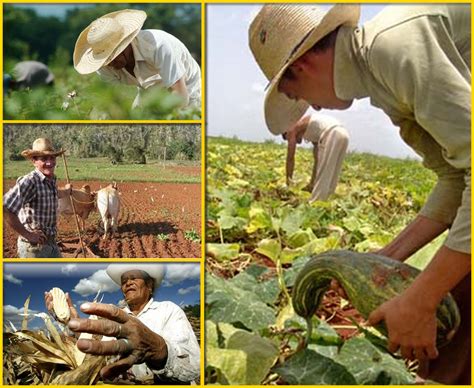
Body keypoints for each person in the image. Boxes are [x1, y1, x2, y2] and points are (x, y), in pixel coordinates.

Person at [249, 4, 470, 384]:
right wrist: (386, 258)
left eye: (294, 93)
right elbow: (454, 178)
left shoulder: (395, 46)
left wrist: (420, 299)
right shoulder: (382, 79)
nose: (311, 107)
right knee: (454, 308)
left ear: (300, 68)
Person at [45, 264, 200, 384]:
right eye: (124, 281)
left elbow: (194, 366)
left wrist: (157, 349)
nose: (128, 283)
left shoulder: (168, 310)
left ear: (150, 286)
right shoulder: (114, 320)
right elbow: (91, 349)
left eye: (134, 278)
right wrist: (69, 321)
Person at [73, 9, 201, 110]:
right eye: (106, 59)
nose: (110, 63)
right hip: (149, 90)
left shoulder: (159, 46)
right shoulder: (103, 67)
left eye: (112, 56)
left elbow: (179, 95)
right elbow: (115, 102)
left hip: (187, 87)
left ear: (125, 43)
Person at [3, 138, 71, 258]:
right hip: (34, 248)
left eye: (52, 158)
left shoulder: (50, 179)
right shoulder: (30, 181)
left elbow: (54, 193)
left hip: (51, 243)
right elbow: (5, 206)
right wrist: (29, 235)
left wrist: (67, 191)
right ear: (34, 161)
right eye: (44, 159)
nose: (50, 163)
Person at [283, 113, 349, 201]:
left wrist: (288, 183)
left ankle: (315, 206)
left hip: (331, 134)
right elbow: (317, 160)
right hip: (344, 134)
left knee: (324, 175)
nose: (297, 142)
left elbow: (290, 158)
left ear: (286, 132)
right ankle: (327, 202)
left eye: (287, 138)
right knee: (333, 175)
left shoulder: (292, 128)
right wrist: (312, 183)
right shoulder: (311, 130)